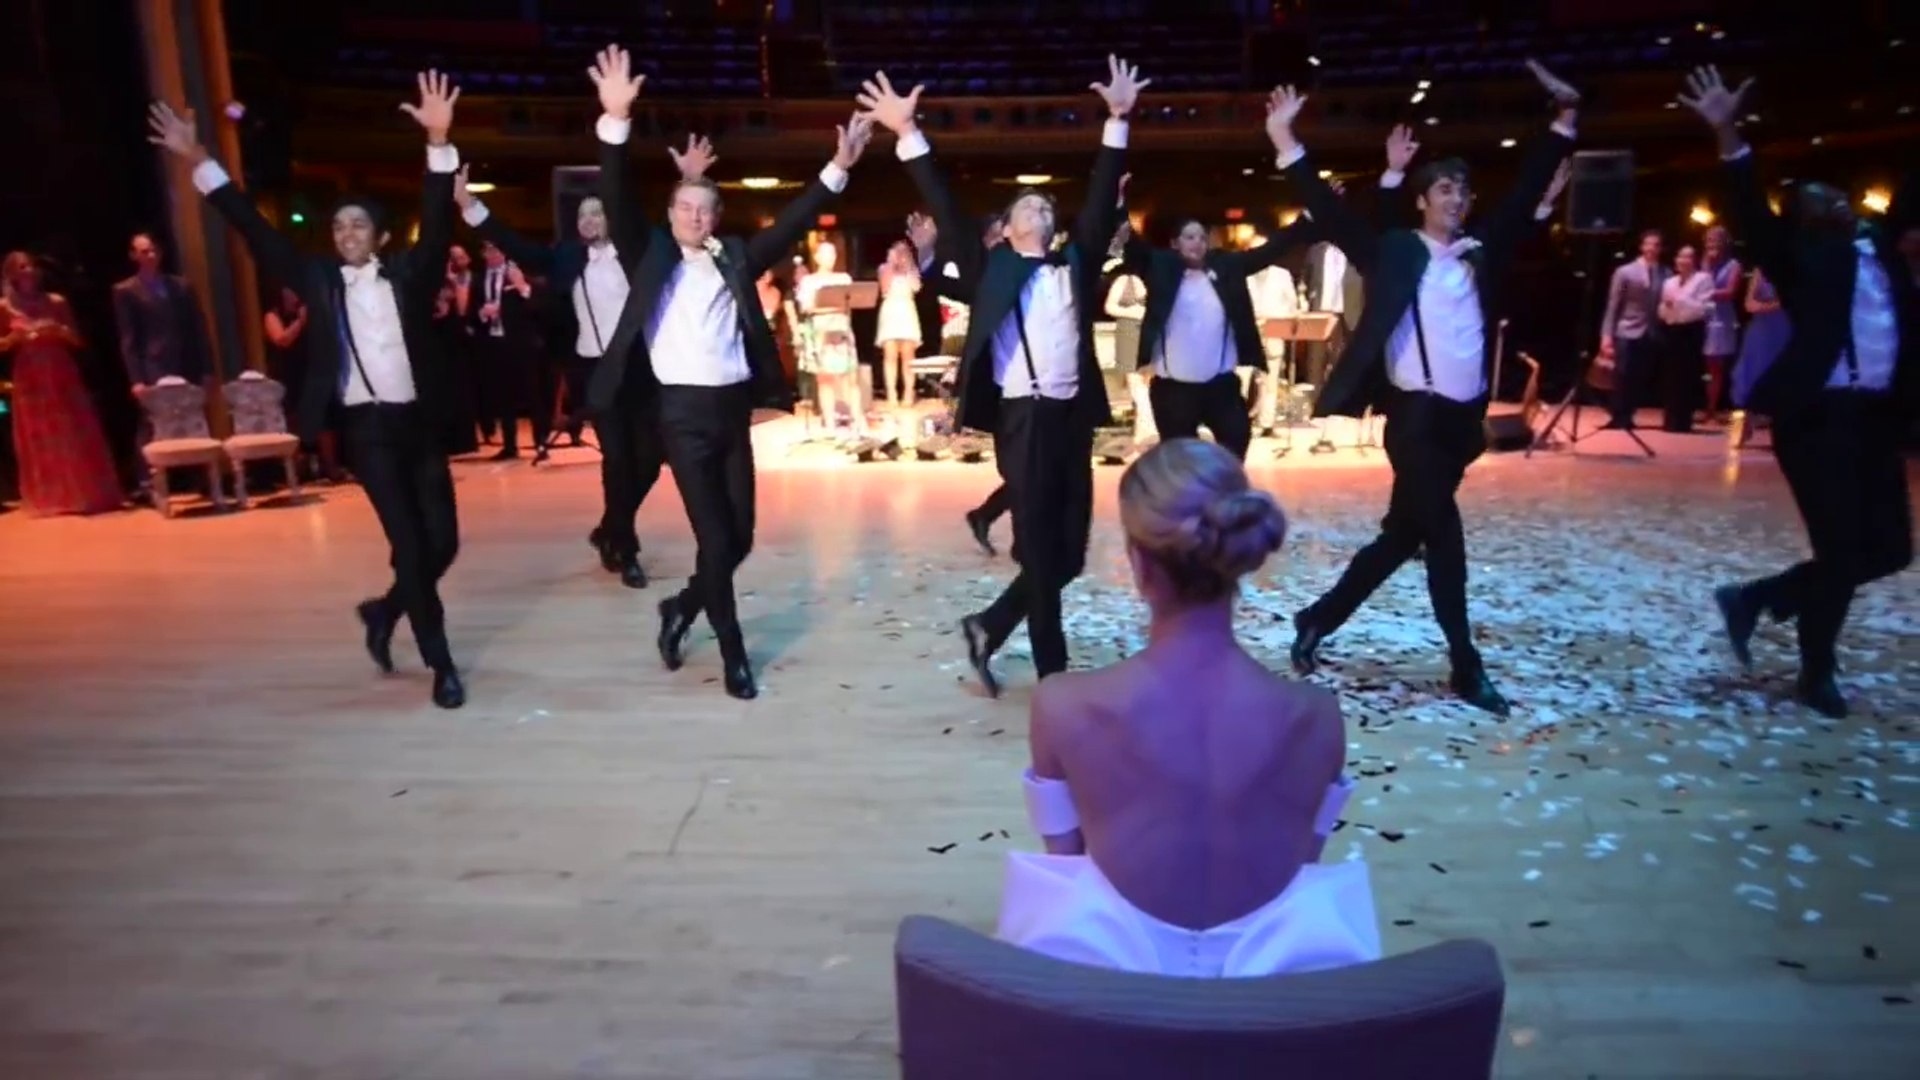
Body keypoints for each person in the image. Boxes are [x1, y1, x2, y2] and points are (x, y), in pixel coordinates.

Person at [148, 72, 470, 709]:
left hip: (419, 425)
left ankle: (385, 611)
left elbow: (437, 223)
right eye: (339, 226)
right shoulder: (317, 278)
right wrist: (201, 159)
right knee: (410, 546)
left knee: (443, 544)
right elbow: (254, 229)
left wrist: (438, 141)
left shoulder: (410, 273)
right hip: (367, 432)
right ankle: (442, 665)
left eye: (359, 226)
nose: (346, 234)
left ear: (381, 237)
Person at [998, 438, 1376, 976]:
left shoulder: (1062, 706)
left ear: (1139, 564)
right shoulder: (1317, 718)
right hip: (1272, 1001)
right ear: (1239, 555)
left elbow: (1070, 873)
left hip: (1110, 997)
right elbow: (1301, 867)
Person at [1276, 61, 1582, 717]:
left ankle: (1318, 617)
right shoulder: (1396, 250)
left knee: (1401, 535)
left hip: (1461, 425)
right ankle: (1466, 665)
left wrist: (1563, 122)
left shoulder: (1477, 250)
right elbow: (1331, 213)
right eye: (1444, 188)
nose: (1456, 198)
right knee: (1444, 537)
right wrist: (1285, 141)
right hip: (1413, 419)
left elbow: (1525, 193)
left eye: (1463, 190)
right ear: (1423, 200)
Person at [585, 45, 874, 699]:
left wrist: (837, 168)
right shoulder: (649, 253)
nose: (695, 217)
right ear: (669, 216)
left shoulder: (736, 257)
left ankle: (681, 607)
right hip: (679, 416)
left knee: (738, 540)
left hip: (731, 413)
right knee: (715, 540)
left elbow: (795, 220)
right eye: (684, 207)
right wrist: (615, 120)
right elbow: (616, 194)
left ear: (717, 217)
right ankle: (734, 654)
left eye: (705, 209)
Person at [860, 58, 1145, 695]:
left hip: (1071, 420)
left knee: (1068, 557)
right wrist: (908, 133)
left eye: (1046, 203)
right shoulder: (991, 269)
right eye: (1027, 205)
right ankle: (1055, 679)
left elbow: (1100, 197)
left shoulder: (1074, 263)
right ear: (1008, 229)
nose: (1039, 206)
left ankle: (988, 627)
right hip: (1023, 421)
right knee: (1041, 554)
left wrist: (1118, 120)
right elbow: (944, 202)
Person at [1681, 66, 1915, 718]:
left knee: (1891, 549)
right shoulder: (1803, 259)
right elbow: (1750, 210)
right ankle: (1817, 671)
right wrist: (1727, 132)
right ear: (1805, 221)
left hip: (1876, 419)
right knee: (1840, 551)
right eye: (1815, 198)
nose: (1831, 199)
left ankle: (1760, 597)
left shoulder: (1884, 250)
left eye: (1833, 193)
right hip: (1817, 420)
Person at [459, 141, 715, 588]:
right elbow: (516, 245)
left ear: (612, 218)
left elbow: (674, 227)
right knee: (616, 459)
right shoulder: (567, 257)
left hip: (641, 367)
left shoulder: (636, 251)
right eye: (583, 216)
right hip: (594, 372)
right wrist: (471, 207)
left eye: (598, 213)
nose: (590, 221)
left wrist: (690, 179)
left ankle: (609, 527)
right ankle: (626, 549)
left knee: (650, 459)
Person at [0, 252, 123, 516]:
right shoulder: (5, 306)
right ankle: (48, 497)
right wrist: (14, 337)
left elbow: (77, 340)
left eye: (32, 265)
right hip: (29, 373)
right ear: (12, 274)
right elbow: (2, 345)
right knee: (38, 433)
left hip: (59, 369)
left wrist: (58, 331)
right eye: (23, 267)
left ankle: (82, 493)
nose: (30, 270)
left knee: (71, 428)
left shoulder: (56, 301)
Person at [1599, 230, 1667, 430]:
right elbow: (1613, 304)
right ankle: (1617, 415)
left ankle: (1628, 414)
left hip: (1651, 331)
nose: (1652, 248)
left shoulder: (1666, 273)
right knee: (1622, 374)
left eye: (1656, 245)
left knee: (1640, 376)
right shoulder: (1625, 271)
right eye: (1648, 244)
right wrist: (1606, 335)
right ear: (1641, 246)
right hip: (1626, 329)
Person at [1700, 225, 1744, 421]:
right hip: (1704, 315)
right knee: (1705, 364)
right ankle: (1704, 405)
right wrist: (1707, 266)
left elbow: (1730, 292)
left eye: (1716, 240)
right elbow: (1700, 284)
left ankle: (1713, 407)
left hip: (1722, 317)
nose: (1712, 244)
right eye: (1709, 240)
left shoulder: (1734, 265)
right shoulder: (1704, 263)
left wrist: (1706, 293)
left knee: (1716, 365)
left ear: (1724, 243)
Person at [876, 239, 923, 409]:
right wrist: (892, 265)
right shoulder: (884, 268)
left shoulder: (912, 270)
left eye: (904, 252)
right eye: (898, 252)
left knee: (908, 355)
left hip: (907, 311)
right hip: (890, 310)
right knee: (890, 354)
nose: (900, 256)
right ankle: (891, 393)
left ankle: (909, 392)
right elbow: (884, 289)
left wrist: (907, 268)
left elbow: (916, 287)